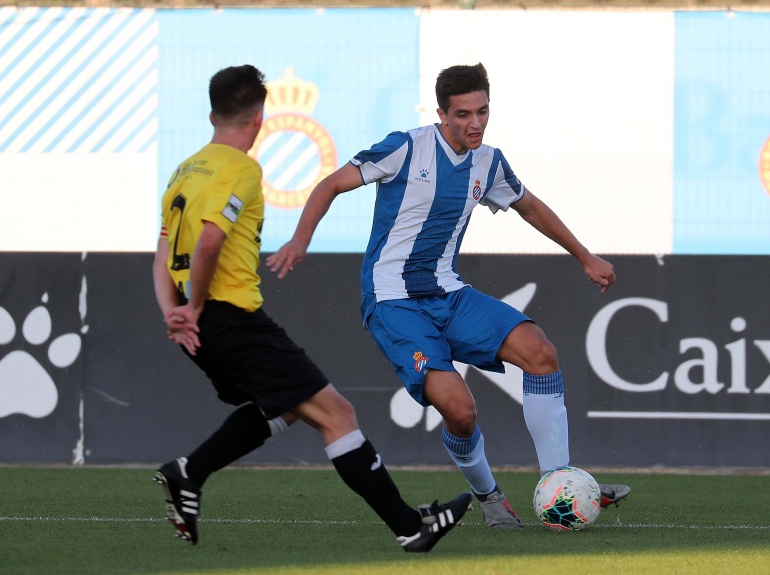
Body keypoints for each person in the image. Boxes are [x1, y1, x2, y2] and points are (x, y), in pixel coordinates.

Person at [267, 62, 630, 529]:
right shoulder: (405, 147)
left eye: (482, 112)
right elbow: (332, 184)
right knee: (460, 412)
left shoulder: (489, 162)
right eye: (462, 114)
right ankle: (490, 497)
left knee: (540, 353)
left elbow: (530, 207)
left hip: (448, 292)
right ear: (441, 113)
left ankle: (560, 481)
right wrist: (300, 240)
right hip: (393, 301)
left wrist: (584, 256)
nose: (475, 123)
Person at [152, 64, 472, 551]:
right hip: (230, 318)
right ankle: (411, 528)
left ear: (212, 114)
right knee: (337, 413)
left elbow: (162, 252)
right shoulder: (241, 168)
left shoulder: (184, 171)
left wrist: (174, 312)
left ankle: (189, 472)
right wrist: (195, 307)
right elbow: (211, 241)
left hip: (197, 323)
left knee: (282, 406)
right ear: (258, 119)